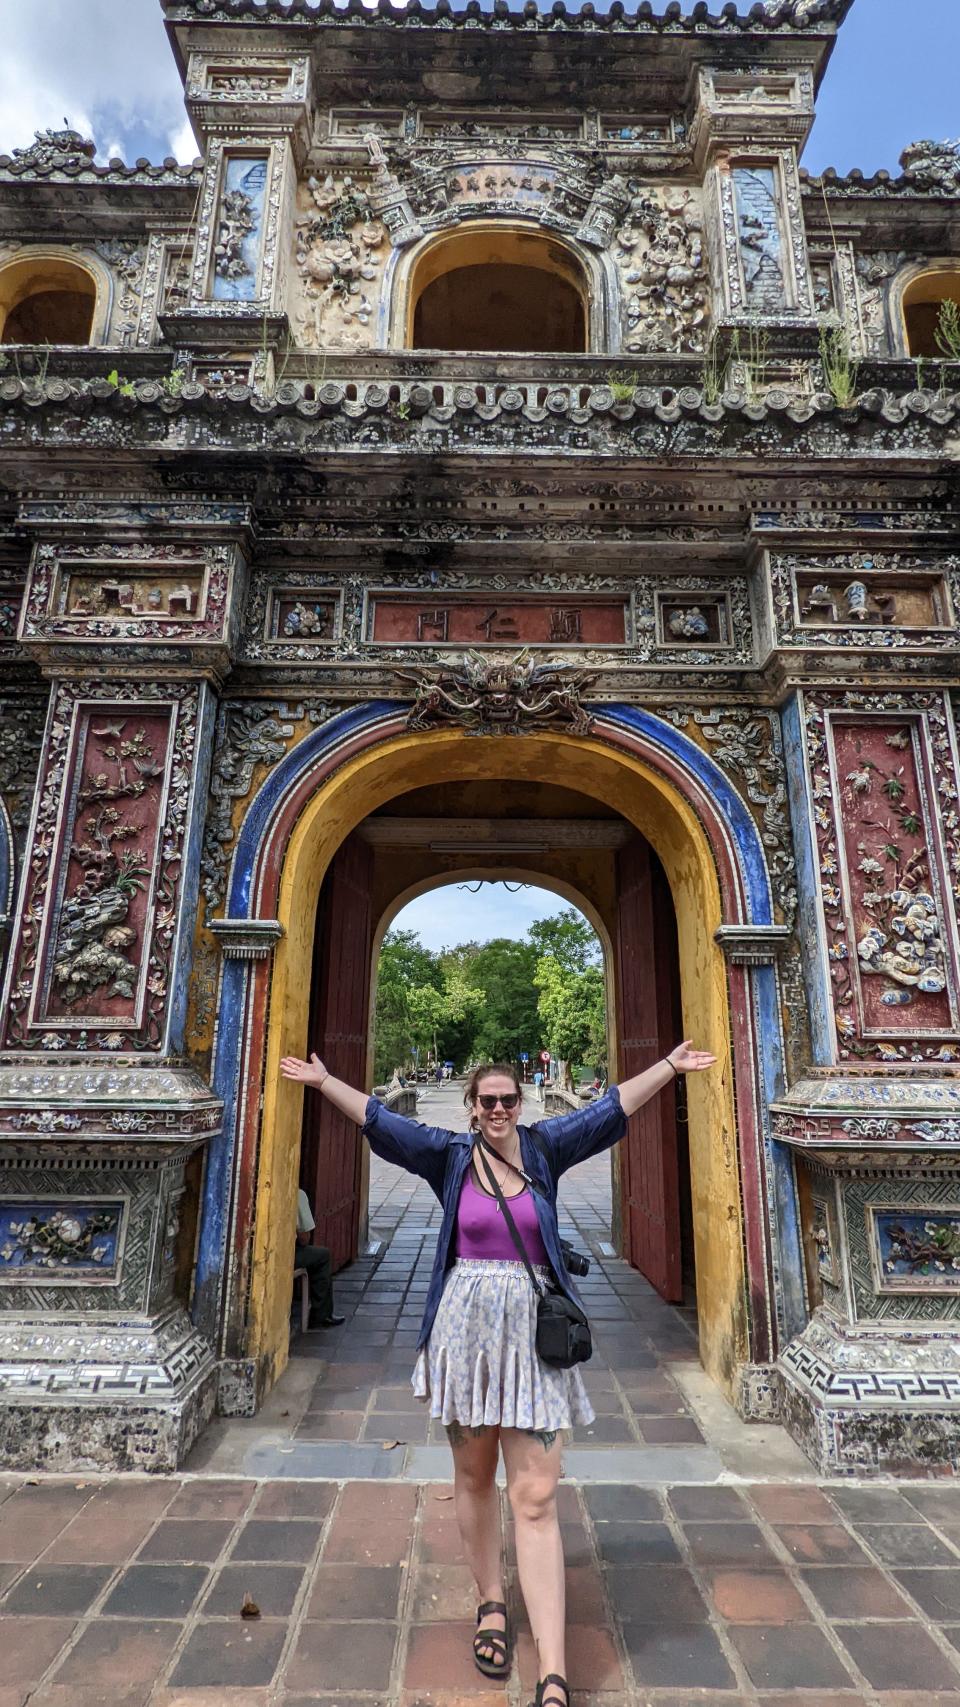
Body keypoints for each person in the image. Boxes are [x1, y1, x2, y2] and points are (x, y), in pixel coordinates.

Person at [280, 1041, 715, 1707]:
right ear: (472, 1107)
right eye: (488, 1100)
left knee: (536, 1495)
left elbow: (609, 1108)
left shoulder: (545, 1148)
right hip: (468, 1338)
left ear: (521, 1102)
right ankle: (490, 1601)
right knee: (475, 1476)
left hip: (535, 1341)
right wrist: (323, 1080)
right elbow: (379, 1121)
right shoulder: (449, 1157)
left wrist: (670, 1066)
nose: (500, 1108)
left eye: (509, 1098)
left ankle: (554, 1665)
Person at [295, 1187, 345, 1328]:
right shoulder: (297, 1194)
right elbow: (304, 1238)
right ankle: (321, 1314)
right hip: (286, 1255)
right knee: (323, 1255)